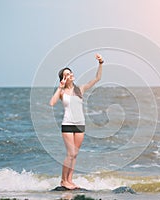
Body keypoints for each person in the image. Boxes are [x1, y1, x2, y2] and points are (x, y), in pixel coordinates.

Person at [49, 53, 104, 189]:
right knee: (70, 153)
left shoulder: (80, 89)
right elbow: (52, 103)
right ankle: (63, 181)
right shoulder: (61, 91)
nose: (70, 75)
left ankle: (70, 180)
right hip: (67, 124)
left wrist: (101, 63)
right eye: (66, 74)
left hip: (80, 125)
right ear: (63, 78)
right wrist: (60, 87)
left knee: (75, 154)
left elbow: (97, 78)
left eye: (70, 72)